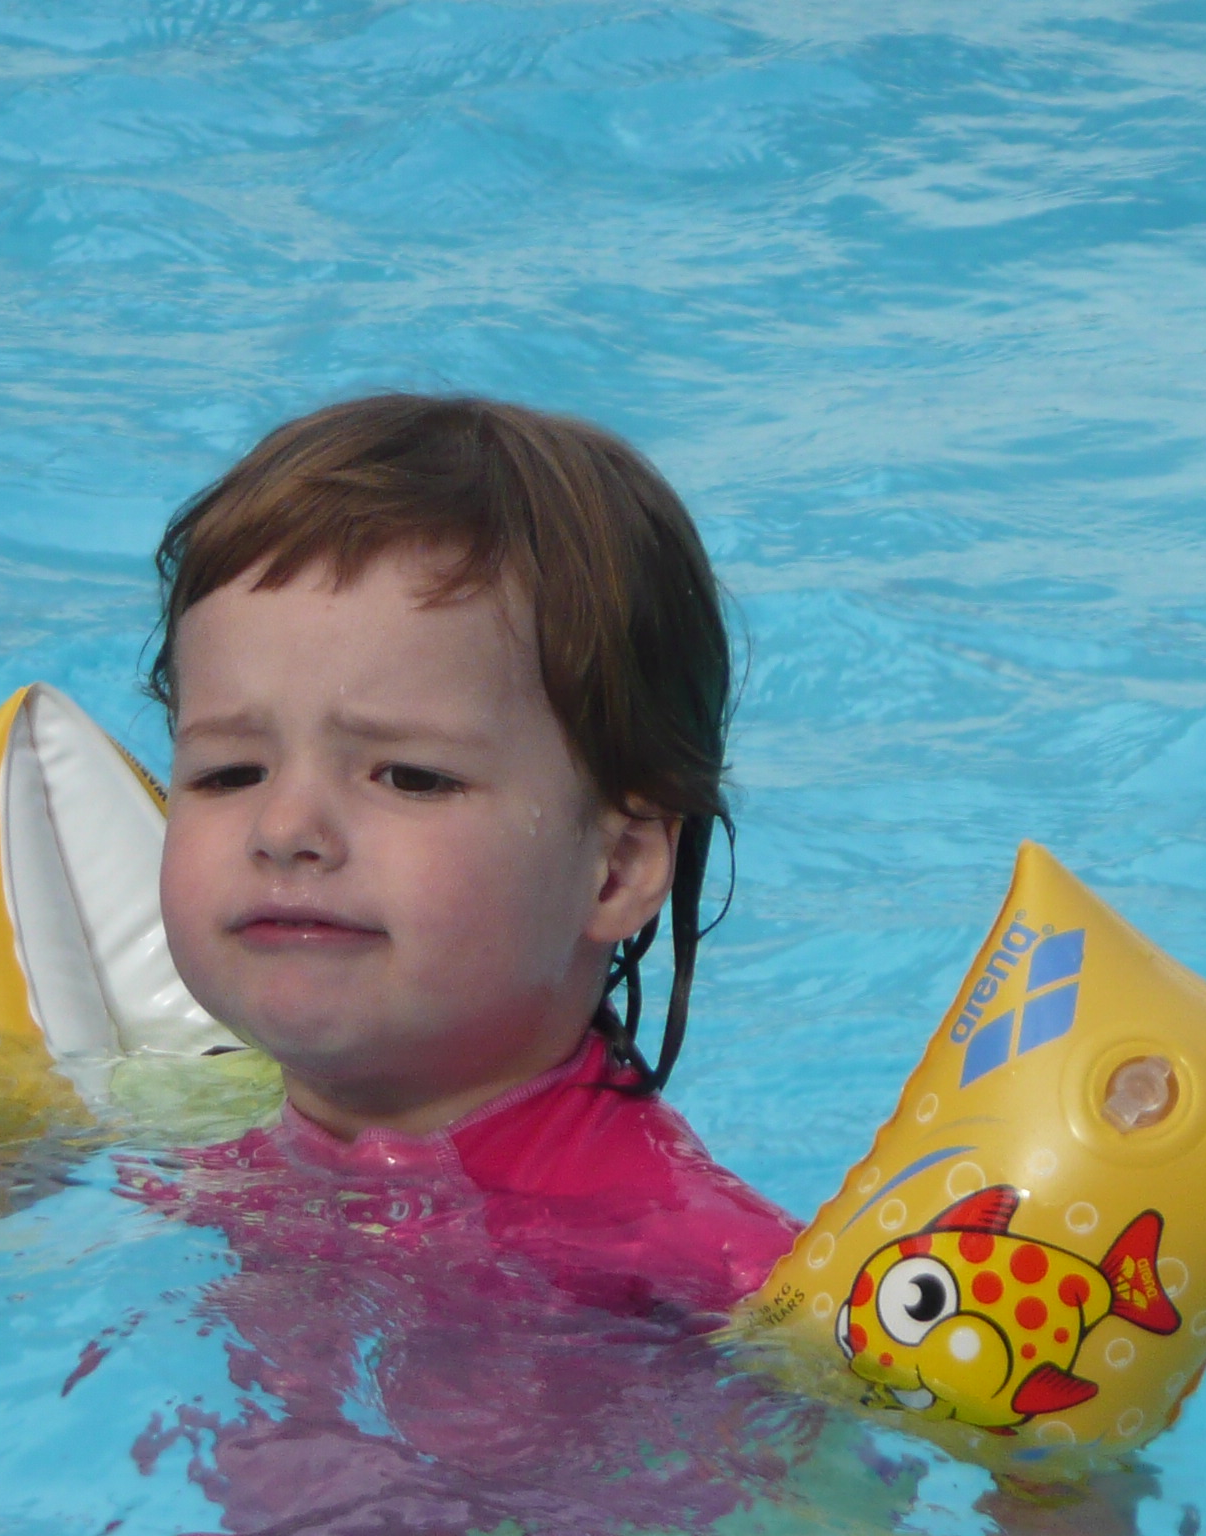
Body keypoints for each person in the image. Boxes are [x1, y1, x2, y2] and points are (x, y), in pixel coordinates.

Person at [140, 392, 799, 1317]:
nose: (283, 828)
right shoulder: (191, 1171)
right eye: (229, 772)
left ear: (615, 870)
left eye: (410, 777)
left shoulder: (710, 1281)